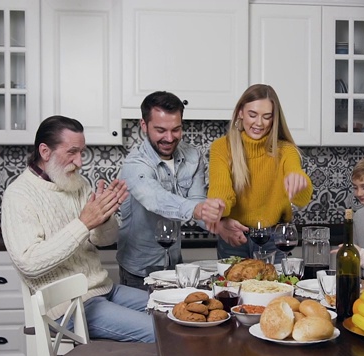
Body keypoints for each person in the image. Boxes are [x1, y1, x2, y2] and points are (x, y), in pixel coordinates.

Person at [1, 115, 155, 343]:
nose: (80, 161)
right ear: (45, 152)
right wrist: (83, 223)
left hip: (104, 289)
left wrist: (104, 218)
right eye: (72, 152)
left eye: (81, 152)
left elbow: (104, 240)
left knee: (172, 312)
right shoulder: (19, 195)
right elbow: (29, 263)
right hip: (66, 307)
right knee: (158, 332)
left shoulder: (78, 184)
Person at [117, 91, 224, 289]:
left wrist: (219, 222)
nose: (169, 137)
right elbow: (155, 199)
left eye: (176, 129)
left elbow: (197, 200)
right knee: (144, 321)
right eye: (160, 130)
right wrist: (198, 209)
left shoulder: (193, 156)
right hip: (139, 270)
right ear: (144, 126)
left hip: (174, 265)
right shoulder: (135, 164)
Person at [207, 84, 313, 260]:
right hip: (234, 234)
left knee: (277, 288)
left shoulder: (286, 150)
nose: (259, 123)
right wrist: (217, 206)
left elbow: (301, 197)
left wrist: (299, 181)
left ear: (274, 119)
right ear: (240, 112)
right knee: (231, 287)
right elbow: (221, 190)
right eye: (252, 114)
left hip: (274, 238)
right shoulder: (221, 147)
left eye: (267, 117)